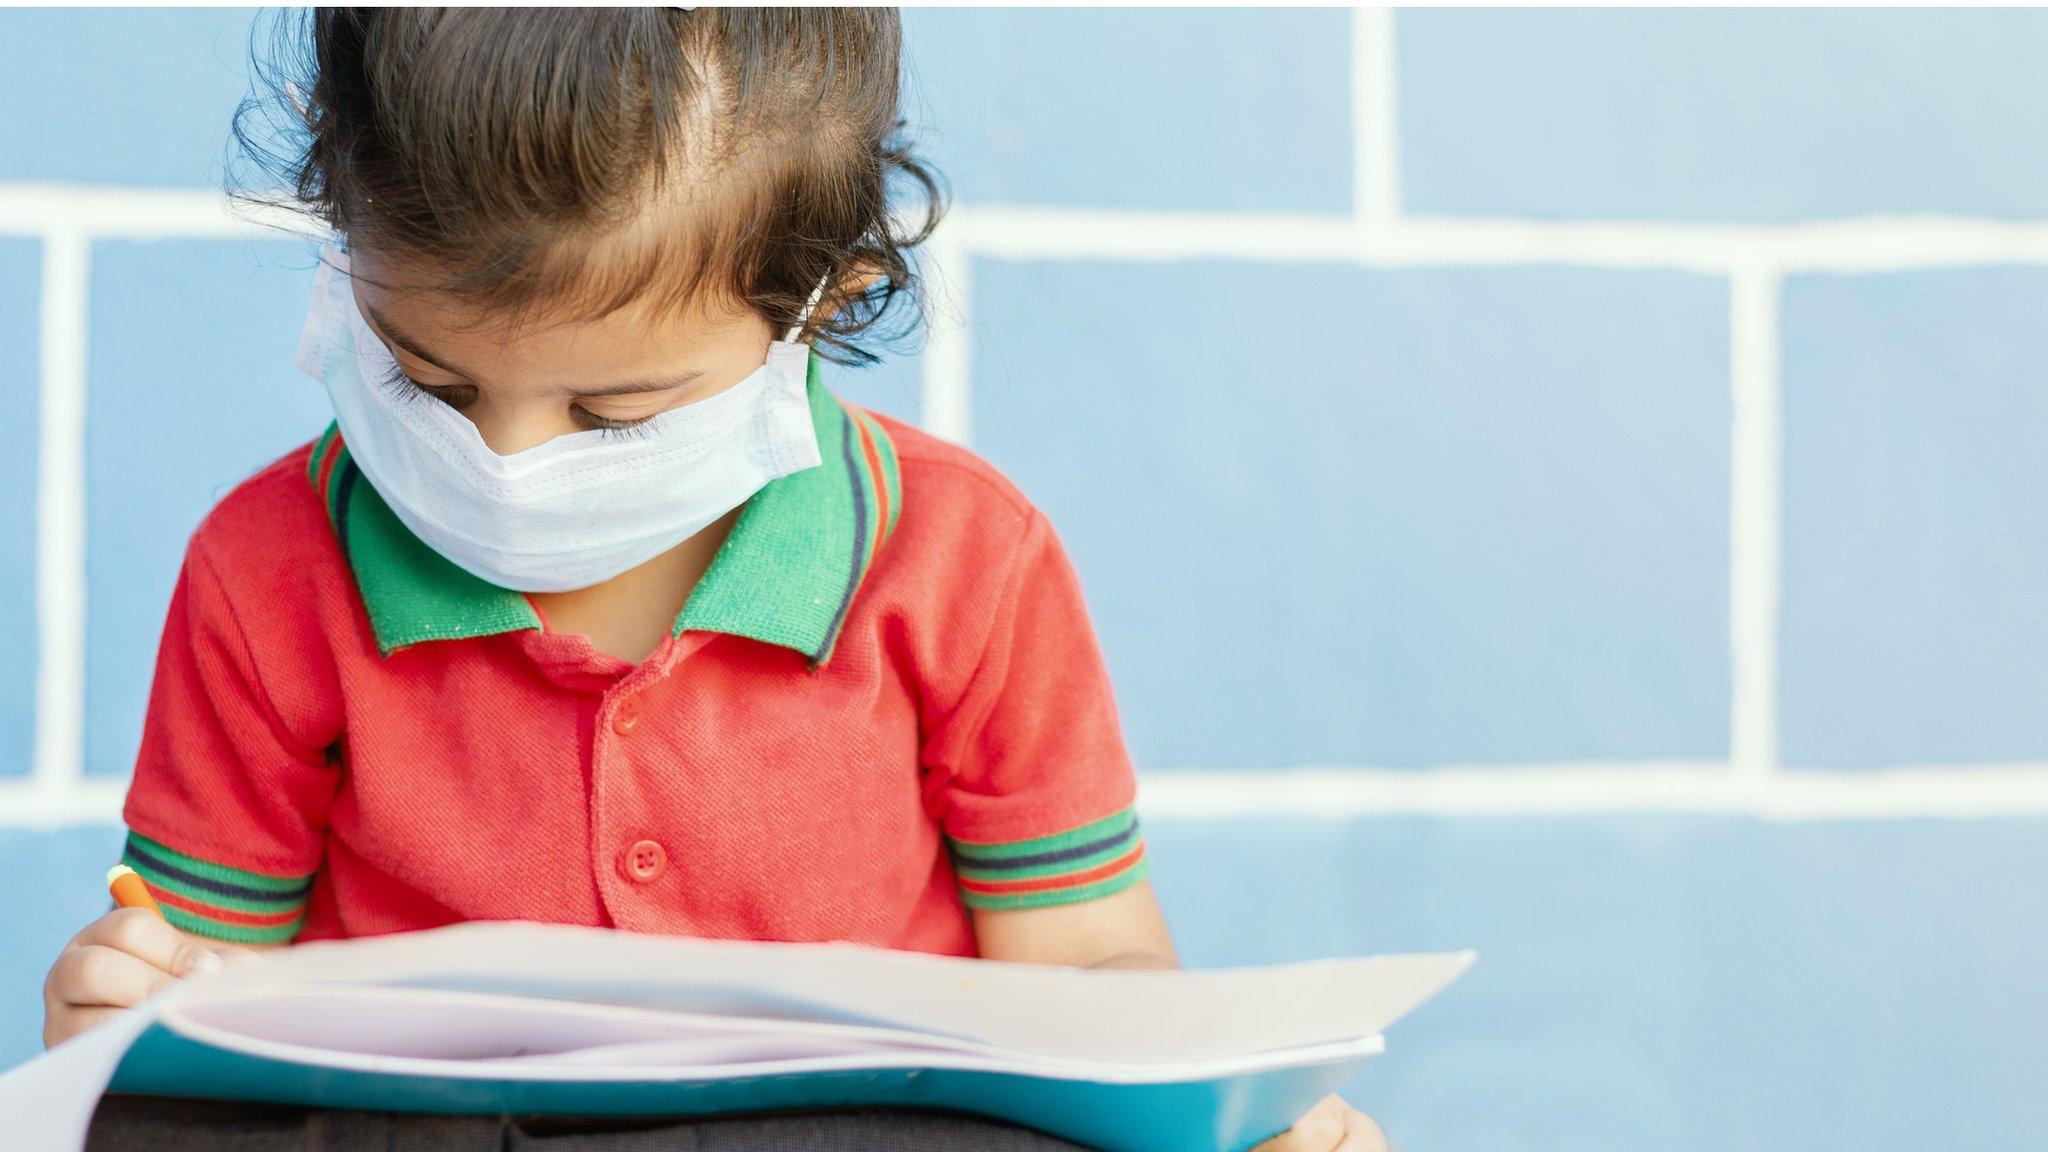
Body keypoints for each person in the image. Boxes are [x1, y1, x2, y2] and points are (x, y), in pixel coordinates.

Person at [42, 10, 1386, 1151]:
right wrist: (115, 1023)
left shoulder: (965, 560)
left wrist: (1230, 1102)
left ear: (829, 301)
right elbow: (200, 1001)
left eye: (615, 411)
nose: (504, 459)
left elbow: (1088, 967)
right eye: (428, 379)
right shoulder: (268, 564)